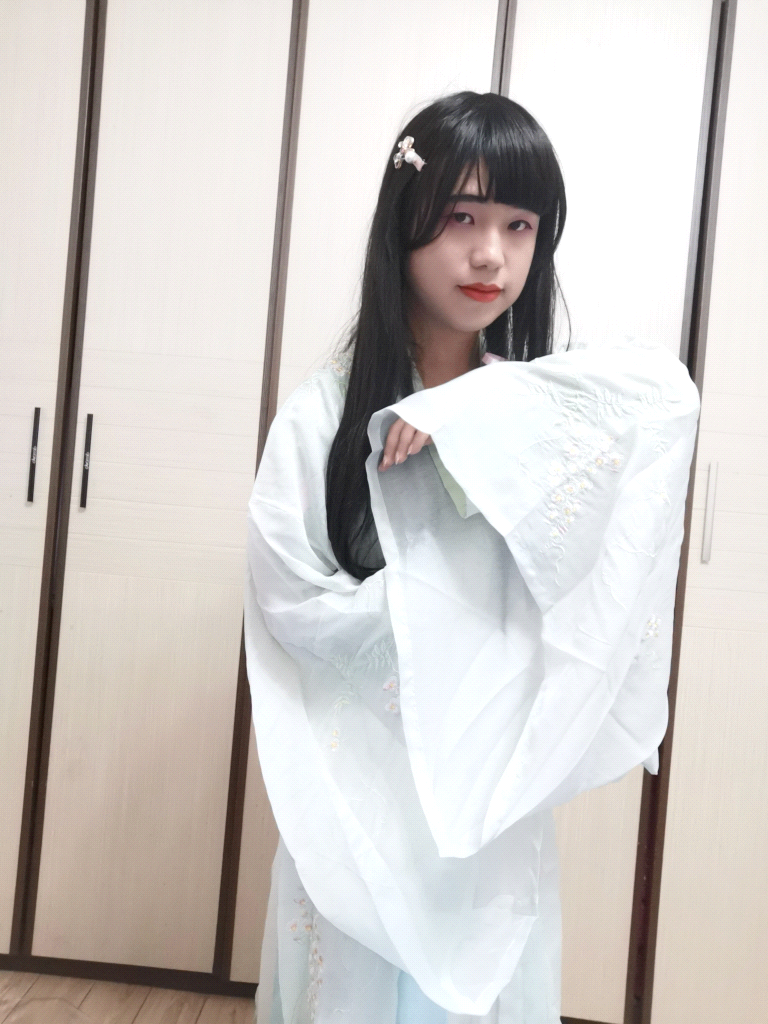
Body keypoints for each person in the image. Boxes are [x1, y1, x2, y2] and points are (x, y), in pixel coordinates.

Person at [243, 91, 700, 1023]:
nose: (491, 254)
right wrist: (446, 622)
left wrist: (466, 412)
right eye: (461, 218)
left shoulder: (532, 412)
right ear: (405, 224)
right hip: (364, 792)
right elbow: (288, 597)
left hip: (487, 801)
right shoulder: (326, 411)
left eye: (518, 225)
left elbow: (667, 401)